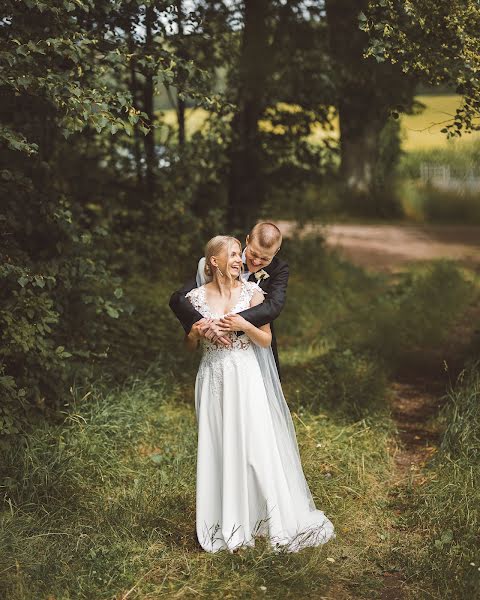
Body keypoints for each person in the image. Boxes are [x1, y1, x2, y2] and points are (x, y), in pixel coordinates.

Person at [183, 234, 335, 553]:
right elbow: (189, 343)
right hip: (212, 376)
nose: (241, 260)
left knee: (254, 445)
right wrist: (196, 331)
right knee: (218, 443)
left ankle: (265, 517)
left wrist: (241, 324)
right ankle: (223, 520)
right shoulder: (195, 298)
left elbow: (265, 339)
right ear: (214, 262)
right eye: (236, 254)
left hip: (246, 372)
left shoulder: (254, 292)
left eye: (242, 255)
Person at [169, 222, 288, 378]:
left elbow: (273, 306)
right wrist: (206, 325)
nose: (257, 262)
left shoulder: (279, 269)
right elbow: (178, 299)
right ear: (247, 241)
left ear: (276, 251)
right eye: (253, 254)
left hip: (254, 346)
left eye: (265, 259)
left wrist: (232, 323)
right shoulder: (224, 257)